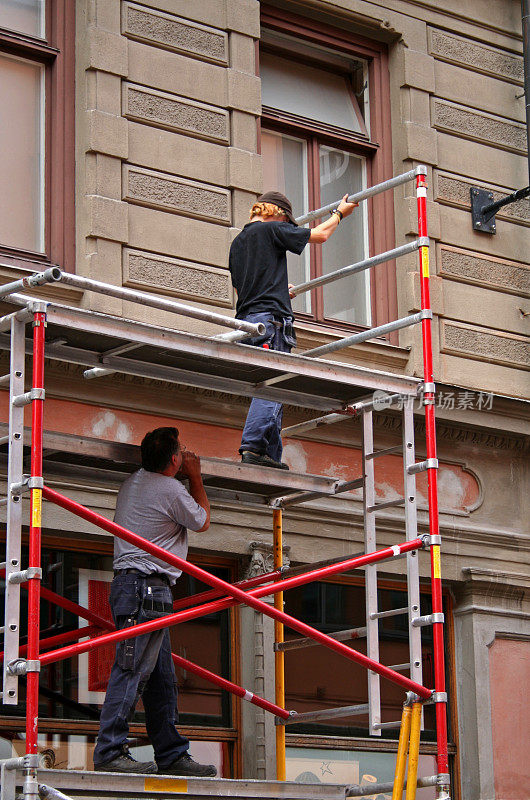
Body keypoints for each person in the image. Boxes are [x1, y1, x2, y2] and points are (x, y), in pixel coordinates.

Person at [93, 427, 217, 777]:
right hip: (146, 588)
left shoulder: (134, 482)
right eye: (181, 453)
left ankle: (172, 753)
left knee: (161, 677)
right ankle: (110, 751)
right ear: (175, 459)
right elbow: (202, 520)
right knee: (131, 669)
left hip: (138, 587)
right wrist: (196, 477)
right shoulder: (169, 487)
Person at [229, 190, 358, 469]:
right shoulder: (273, 228)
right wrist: (339, 214)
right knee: (272, 388)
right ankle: (252, 447)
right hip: (271, 323)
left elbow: (245, 290)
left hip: (248, 323)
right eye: (288, 221)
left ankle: (269, 455)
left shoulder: (238, 243)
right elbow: (320, 235)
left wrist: (278, 292)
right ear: (276, 214)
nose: (289, 227)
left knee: (274, 387)